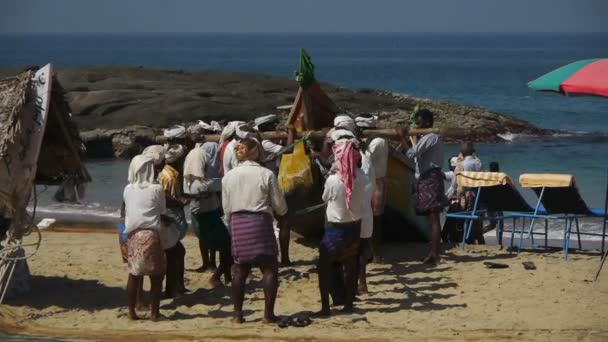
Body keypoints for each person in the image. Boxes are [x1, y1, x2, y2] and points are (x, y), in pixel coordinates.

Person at [222, 137, 288, 324]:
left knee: (240, 270)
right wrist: (282, 213)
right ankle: (268, 315)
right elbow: (279, 206)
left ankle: (237, 315)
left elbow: (226, 208)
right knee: (269, 268)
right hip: (260, 221)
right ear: (255, 152)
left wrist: (232, 224)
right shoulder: (266, 174)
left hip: (237, 222)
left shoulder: (228, 177)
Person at [316, 131, 366, 316]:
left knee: (324, 267)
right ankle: (348, 305)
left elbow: (325, 198)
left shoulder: (333, 179)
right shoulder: (362, 178)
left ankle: (325, 308)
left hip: (335, 228)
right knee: (351, 266)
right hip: (354, 227)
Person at [123, 155, 177, 321]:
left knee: (134, 274)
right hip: (151, 235)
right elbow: (162, 211)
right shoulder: (156, 189)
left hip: (133, 235)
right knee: (156, 275)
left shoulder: (128, 189)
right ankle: (154, 312)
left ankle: (132, 312)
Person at [400, 109, 446, 265]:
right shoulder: (428, 139)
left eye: (419, 123)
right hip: (429, 178)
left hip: (430, 179)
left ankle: (434, 255)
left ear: (427, 122)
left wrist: (402, 137)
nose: (417, 125)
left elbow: (411, 154)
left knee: (433, 218)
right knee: (431, 218)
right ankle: (433, 253)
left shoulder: (431, 137)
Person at [184, 145, 233, 287]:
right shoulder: (203, 184)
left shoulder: (189, 182)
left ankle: (227, 277)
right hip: (207, 220)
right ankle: (217, 276)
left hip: (204, 219)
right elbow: (224, 182)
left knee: (225, 247)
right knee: (227, 249)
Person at [254, 114, 293, 266]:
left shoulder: (265, 142)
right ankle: (284, 258)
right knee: (283, 221)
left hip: (266, 183)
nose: (275, 128)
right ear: (266, 128)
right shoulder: (265, 143)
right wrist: (291, 134)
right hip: (270, 184)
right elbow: (288, 151)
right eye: (272, 126)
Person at [188, 122, 223, 271]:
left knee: (205, 232)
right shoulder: (201, 148)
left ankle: (209, 262)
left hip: (208, 184)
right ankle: (210, 262)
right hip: (211, 186)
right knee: (209, 231)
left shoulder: (208, 147)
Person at [355, 115, 389, 264]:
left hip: (377, 183)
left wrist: (360, 147)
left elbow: (364, 160)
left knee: (376, 219)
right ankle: (367, 251)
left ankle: (376, 253)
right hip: (367, 183)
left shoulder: (378, 142)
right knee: (365, 218)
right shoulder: (370, 142)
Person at [159, 144, 189, 298]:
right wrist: (181, 202)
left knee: (177, 252)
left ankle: (178, 285)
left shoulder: (173, 173)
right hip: (170, 217)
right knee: (175, 252)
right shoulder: (168, 176)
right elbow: (164, 198)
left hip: (173, 215)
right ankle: (173, 287)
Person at [457, 142, 485, 244]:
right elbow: (482, 175)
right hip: (477, 192)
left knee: (468, 216)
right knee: (477, 217)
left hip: (467, 192)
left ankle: (469, 239)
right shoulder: (477, 162)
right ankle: (478, 237)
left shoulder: (462, 164)